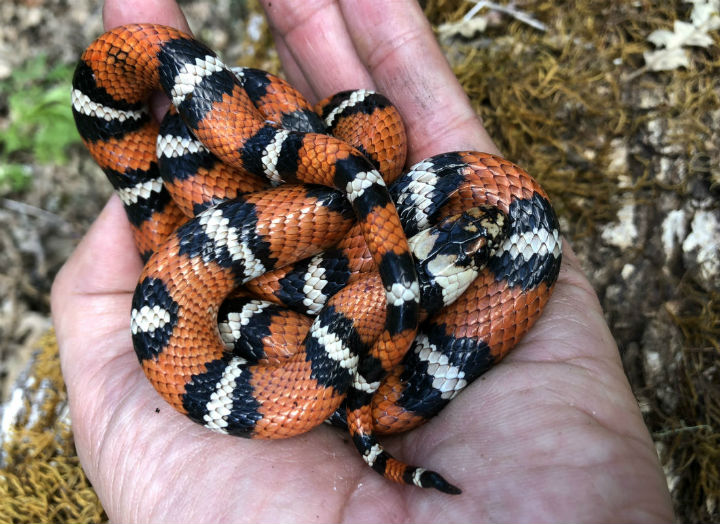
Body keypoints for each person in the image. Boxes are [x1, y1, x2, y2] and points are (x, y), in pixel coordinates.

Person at [51, 0, 674, 521]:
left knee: (321, 178)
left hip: (316, 285)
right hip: (298, 227)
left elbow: (349, 298)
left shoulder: (355, 293)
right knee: (304, 151)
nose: (476, 230)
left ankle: (299, 160)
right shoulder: (358, 282)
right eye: (472, 241)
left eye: (472, 244)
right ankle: (296, 155)